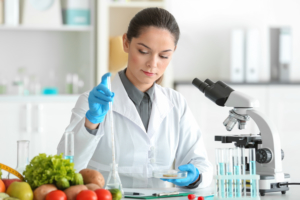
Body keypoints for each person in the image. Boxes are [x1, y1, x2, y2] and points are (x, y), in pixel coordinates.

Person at [57, 7, 213, 189]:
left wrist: (195, 177)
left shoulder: (176, 103)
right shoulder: (92, 102)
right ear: (126, 42)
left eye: (164, 55)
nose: (153, 63)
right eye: (143, 51)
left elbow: (200, 162)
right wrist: (90, 124)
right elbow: (66, 166)